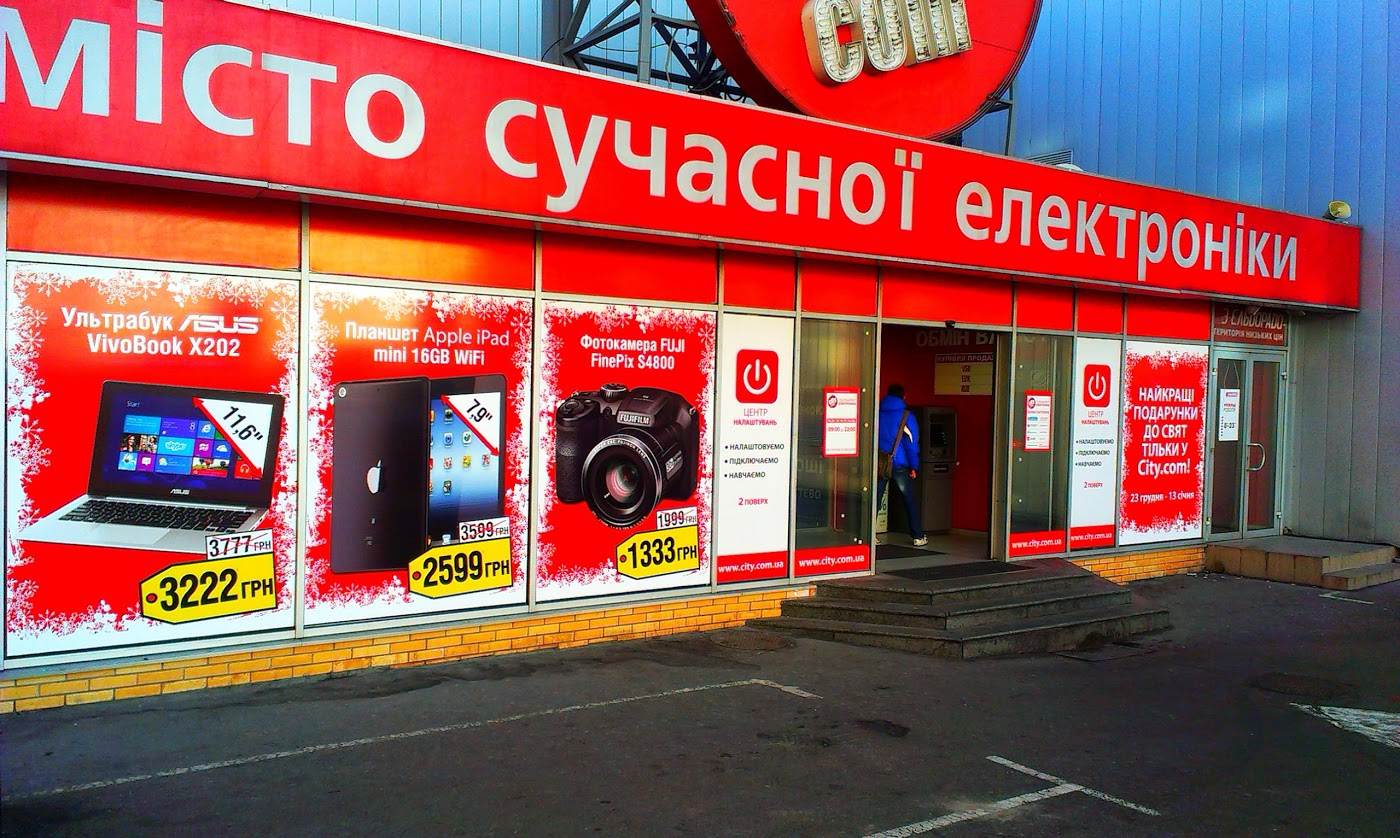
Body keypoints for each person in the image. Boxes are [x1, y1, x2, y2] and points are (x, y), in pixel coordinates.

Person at [877, 384, 927, 547]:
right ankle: (917, 536)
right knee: (909, 500)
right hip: (899, 463)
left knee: (875, 498)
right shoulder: (906, 416)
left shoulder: (877, 412)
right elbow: (912, 444)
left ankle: (870, 534)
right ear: (903, 396)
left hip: (880, 462)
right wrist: (914, 466)